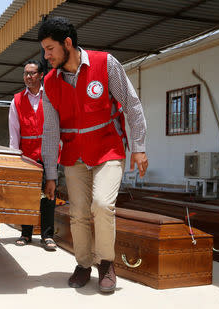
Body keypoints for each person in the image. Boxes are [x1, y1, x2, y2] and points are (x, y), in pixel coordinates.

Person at [38, 16, 149, 293]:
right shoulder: (50, 84)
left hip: (108, 148)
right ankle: (84, 263)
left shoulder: (105, 63)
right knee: (77, 213)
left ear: (67, 43)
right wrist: (50, 174)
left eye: (50, 48)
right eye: (44, 49)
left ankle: (106, 263)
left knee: (101, 205)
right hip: (74, 154)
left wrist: (139, 147)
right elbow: (50, 132)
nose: (46, 55)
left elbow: (132, 104)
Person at [9, 60, 57, 251]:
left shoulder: (51, 97)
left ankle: (47, 236)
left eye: (32, 73)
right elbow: (14, 131)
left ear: (41, 75)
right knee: (26, 196)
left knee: (49, 195)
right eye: (25, 73)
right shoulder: (17, 100)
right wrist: (13, 158)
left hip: (48, 153)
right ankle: (26, 233)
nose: (28, 77)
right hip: (26, 155)